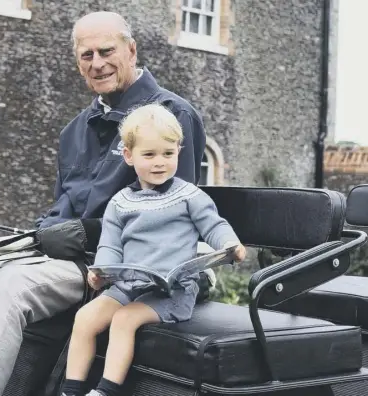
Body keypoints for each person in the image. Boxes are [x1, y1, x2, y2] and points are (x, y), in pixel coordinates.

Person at [0, 11, 207, 396]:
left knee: (10, 285)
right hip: (62, 255)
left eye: (106, 51)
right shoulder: (75, 129)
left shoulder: (172, 115)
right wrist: (43, 230)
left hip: (113, 268)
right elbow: (64, 205)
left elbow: (174, 215)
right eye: (86, 55)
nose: (98, 63)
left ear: (131, 50)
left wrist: (84, 233)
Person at [60, 103, 246, 396]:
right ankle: (71, 390)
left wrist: (230, 244)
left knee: (124, 319)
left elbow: (214, 226)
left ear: (178, 152)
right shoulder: (121, 202)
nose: (159, 162)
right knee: (85, 317)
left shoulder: (189, 196)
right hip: (129, 285)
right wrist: (101, 273)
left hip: (172, 292)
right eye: (149, 155)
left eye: (168, 154)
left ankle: (105, 391)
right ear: (129, 155)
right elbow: (110, 245)